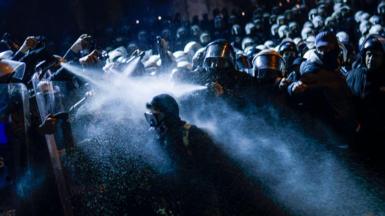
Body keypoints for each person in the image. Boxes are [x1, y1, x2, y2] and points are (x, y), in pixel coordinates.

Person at [145, 94, 286, 216]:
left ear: (168, 115)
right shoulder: (159, 138)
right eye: (150, 117)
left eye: (155, 116)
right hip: (180, 200)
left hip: (201, 199)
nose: (152, 122)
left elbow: (220, 170)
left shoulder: (192, 134)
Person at [288, 31, 357, 144]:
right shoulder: (311, 68)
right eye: (321, 49)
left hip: (341, 132)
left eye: (329, 48)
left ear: (336, 49)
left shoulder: (337, 70)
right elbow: (298, 84)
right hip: (325, 136)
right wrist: (292, 88)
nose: (325, 52)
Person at [346, 34, 385, 147]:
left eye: (377, 55)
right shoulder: (354, 75)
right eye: (369, 54)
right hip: (357, 136)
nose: (371, 59)